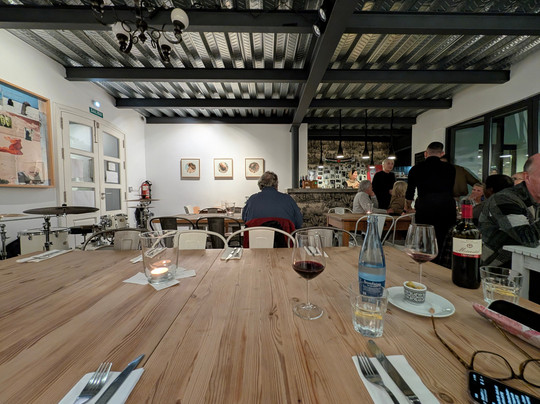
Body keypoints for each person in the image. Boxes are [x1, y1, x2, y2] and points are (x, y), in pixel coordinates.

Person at [478, 154, 540, 303]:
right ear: (527, 177)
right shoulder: (505, 198)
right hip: (498, 275)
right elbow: (528, 237)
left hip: (528, 270)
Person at [405, 141, 456, 263]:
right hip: (447, 206)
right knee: (444, 239)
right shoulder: (450, 168)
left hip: (425, 207)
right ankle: (442, 265)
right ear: (442, 153)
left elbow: (409, 193)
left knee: (425, 239)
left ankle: (427, 266)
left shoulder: (416, 169)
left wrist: (408, 207)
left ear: (425, 153)